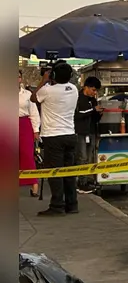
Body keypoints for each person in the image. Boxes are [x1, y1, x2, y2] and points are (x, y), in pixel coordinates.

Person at [31, 61, 80, 216]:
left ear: (53, 76)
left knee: (55, 172)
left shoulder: (47, 90)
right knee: (69, 171)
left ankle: (57, 205)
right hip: (70, 134)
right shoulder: (74, 89)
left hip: (53, 136)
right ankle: (72, 204)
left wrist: (43, 80)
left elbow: (33, 98)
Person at [74, 76, 104, 193]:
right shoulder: (77, 98)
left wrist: (99, 114)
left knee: (90, 156)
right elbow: (77, 115)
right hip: (80, 132)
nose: (94, 93)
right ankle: (81, 182)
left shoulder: (93, 100)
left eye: (96, 91)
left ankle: (87, 178)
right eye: (93, 90)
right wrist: (93, 110)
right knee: (82, 157)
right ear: (86, 87)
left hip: (91, 131)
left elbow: (93, 117)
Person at [18, 70, 41, 196]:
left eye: (18, 77)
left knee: (27, 154)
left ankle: (34, 184)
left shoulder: (27, 94)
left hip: (24, 125)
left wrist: (36, 130)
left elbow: (34, 112)